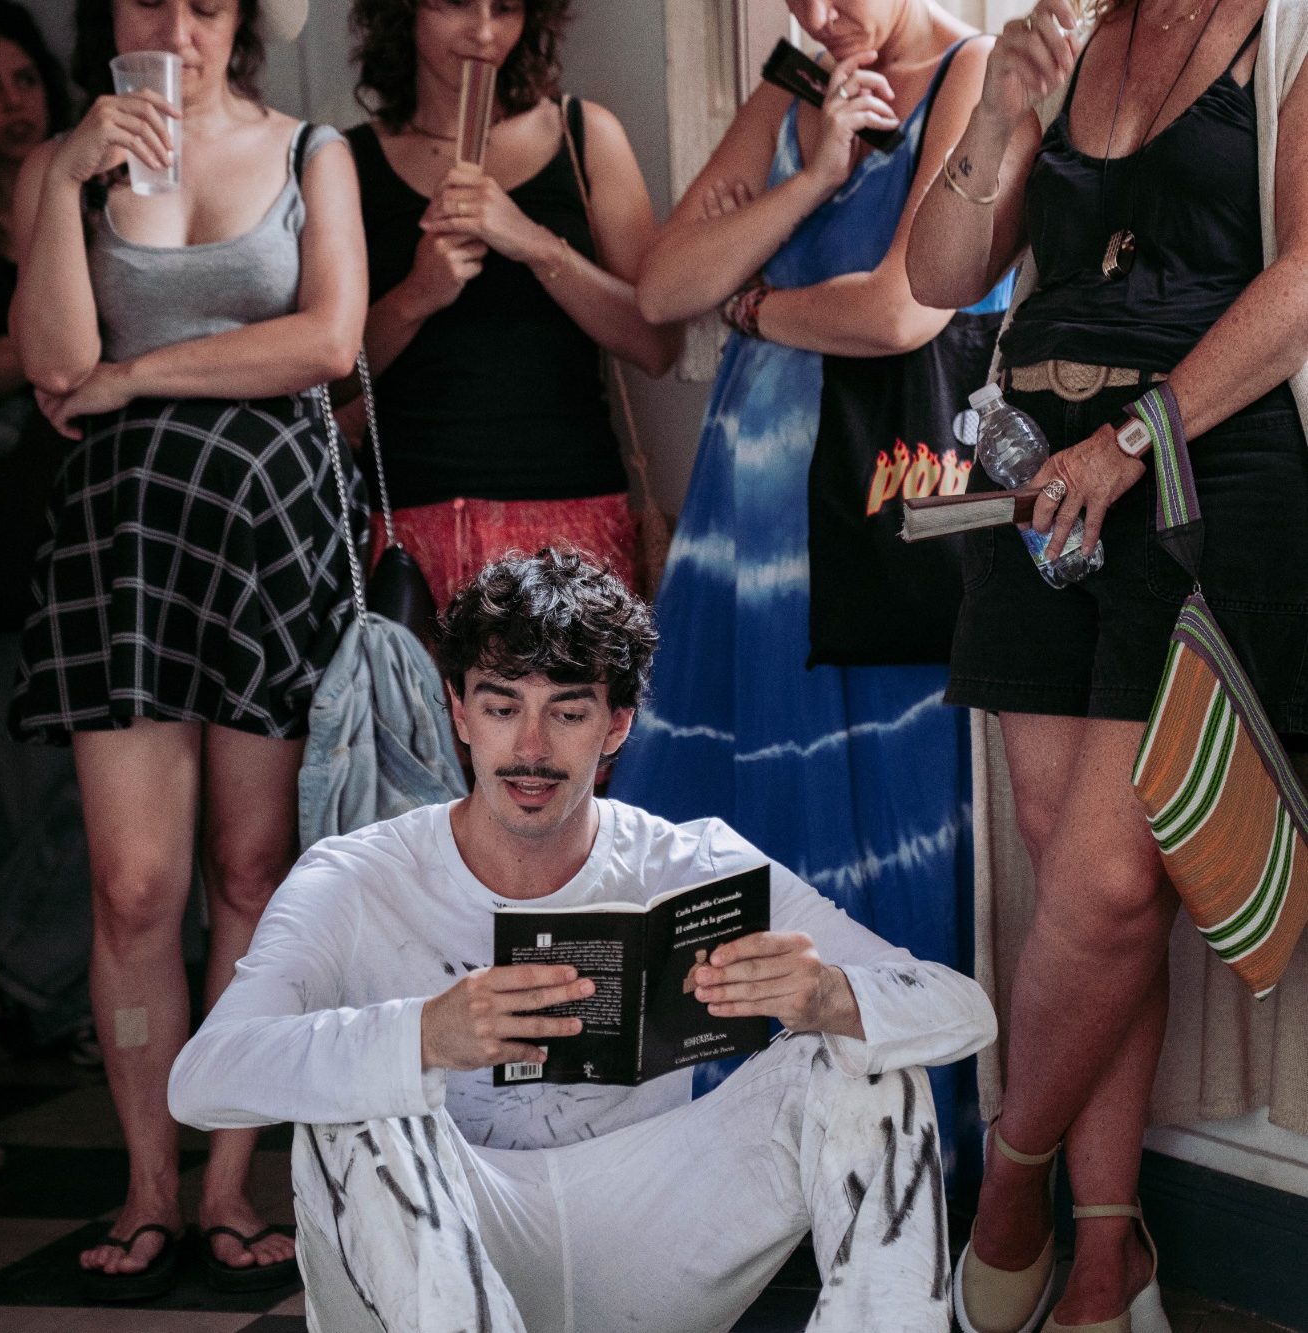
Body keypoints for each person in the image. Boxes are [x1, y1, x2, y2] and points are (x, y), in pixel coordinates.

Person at [168, 547, 998, 1333]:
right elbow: (203, 1077)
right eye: (501, 708)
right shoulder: (355, 875)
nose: (530, 748)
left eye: (567, 712)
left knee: (867, 1057)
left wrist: (827, 995)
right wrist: (422, 1033)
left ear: (617, 724)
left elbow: (962, 1010)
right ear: (458, 710)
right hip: (442, 1244)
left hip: (652, 1235)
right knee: (358, 1101)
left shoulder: (694, 860)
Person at [906, 0, 1308, 1327]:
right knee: (1083, 892)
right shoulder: (1059, 32)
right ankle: (1103, 1249)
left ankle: (1010, 1182)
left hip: (1199, 469)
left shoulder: (1288, 34)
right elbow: (940, 274)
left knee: (1110, 880)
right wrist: (995, 120)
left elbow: (1303, 283)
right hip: (1031, 479)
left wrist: (1134, 440)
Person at [608, 0, 1012, 1164]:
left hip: (878, 522)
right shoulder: (796, 82)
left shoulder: (972, 68)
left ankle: (888, 1163)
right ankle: (717, 1162)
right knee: (725, 826)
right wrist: (812, 177)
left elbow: (900, 308)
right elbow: (661, 285)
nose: (815, 13)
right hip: (741, 533)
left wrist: (749, 300)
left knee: (879, 825)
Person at [7, 0, 368, 1300]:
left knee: (254, 869)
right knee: (134, 887)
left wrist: (143, 374)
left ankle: (228, 1183)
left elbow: (327, 342)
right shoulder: (68, 165)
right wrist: (67, 174)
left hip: (270, 538)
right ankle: (149, 1184)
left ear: (246, 16)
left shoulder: (311, 149)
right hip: (124, 551)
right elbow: (59, 364)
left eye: (208, 1)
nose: (178, 23)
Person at [341, 0, 680, 607]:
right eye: (455, 3)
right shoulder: (348, 161)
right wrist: (415, 296)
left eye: (506, 8)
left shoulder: (583, 134)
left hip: (571, 522)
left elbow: (656, 346)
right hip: (413, 528)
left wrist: (534, 244)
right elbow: (332, 376)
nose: (484, 31)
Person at [0, 2, 94, 1086]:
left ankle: (21, 981)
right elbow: (61, 358)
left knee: (86, 799)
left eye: (25, 80)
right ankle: (25, 988)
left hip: (95, 532)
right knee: (19, 805)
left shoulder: (94, 200)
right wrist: (47, 347)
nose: (13, 104)